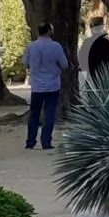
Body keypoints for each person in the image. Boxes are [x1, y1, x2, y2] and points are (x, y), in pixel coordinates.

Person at [22, 22, 70, 150]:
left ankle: (30, 142)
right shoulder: (56, 46)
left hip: (37, 86)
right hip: (52, 85)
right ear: (49, 31)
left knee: (34, 114)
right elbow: (64, 64)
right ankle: (46, 142)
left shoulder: (31, 46)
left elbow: (25, 64)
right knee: (49, 114)